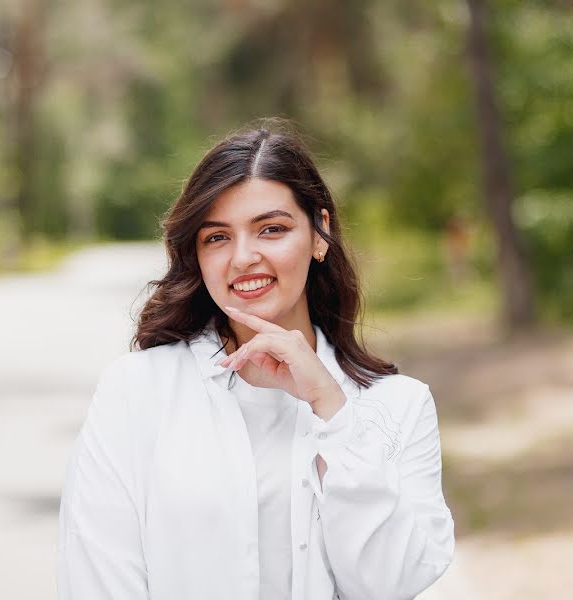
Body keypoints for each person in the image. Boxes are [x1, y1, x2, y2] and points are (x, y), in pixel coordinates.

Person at [57, 124, 455, 600]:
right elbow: (97, 577)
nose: (244, 257)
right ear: (196, 255)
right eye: (217, 237)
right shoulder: (137, 391)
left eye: (272, 229)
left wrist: (330, 408)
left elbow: (390, 584)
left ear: (319, 234)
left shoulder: (399, 406)